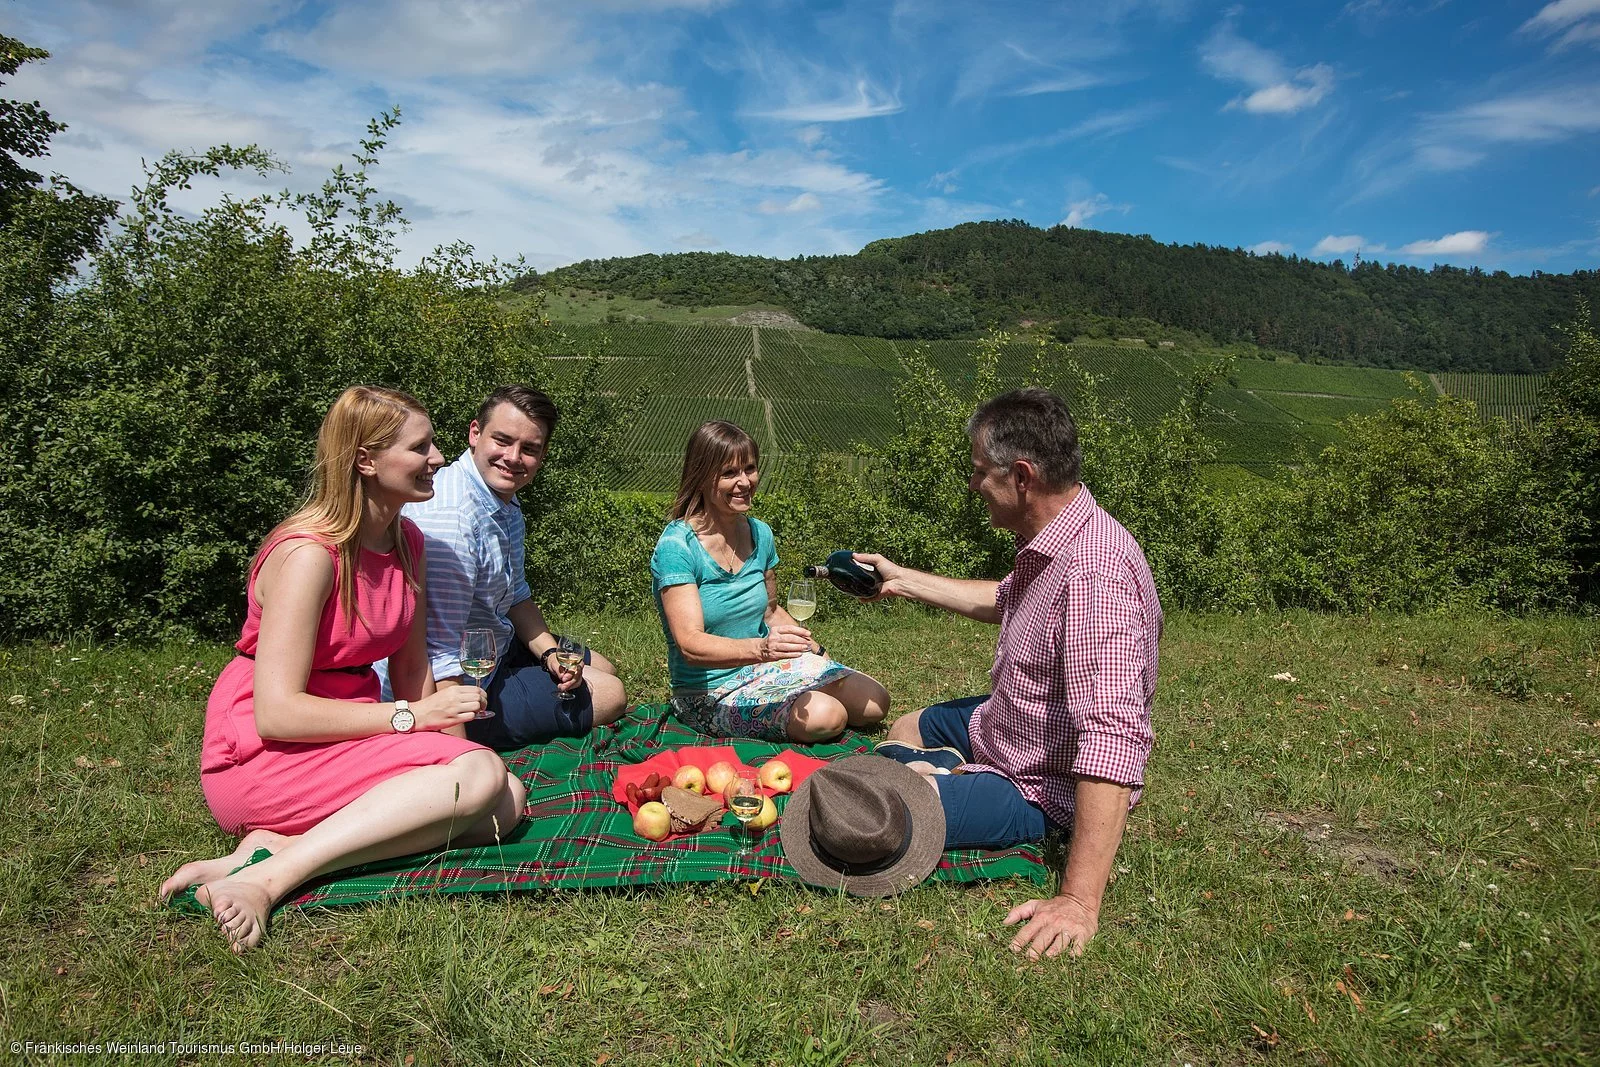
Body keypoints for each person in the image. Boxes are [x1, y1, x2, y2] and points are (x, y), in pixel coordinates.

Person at [159, 386, 526, 952]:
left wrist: (453, 750)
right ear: (365, 460)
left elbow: (411, 671)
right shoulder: (310, 555)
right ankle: (268, 879)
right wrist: (416, 724)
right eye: (421, 447)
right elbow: (278, 713)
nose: (437, 459)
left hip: (349, 725)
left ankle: (278, 846)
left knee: (505, 802)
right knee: (479, 782)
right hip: (265, 749)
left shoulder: (406, 540)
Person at [860, 387, 1161, 959]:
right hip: (1005, 725)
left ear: (1021, 476)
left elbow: (1114, 736)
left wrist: (1077, 901)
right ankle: (954, 769)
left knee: (887, 811)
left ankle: (966, 789)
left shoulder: (1095, 574)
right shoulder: (1056, 538)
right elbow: (1007, 599)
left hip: (1043, 779)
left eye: (979, 472)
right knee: (905, 728)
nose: (974, 486)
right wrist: (900, 580)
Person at [378, 385, 626, 749]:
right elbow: (440, 656)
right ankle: (485, 731)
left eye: (529, 449)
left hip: (495, 642)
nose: (513, 457)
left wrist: (549, 654)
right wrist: (455, 758)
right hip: (465, 682)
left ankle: (526, 675)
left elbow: (516, 596)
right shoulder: (453, 521)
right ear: (475, 433)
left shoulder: (500, 501)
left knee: (600, 667)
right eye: (503, 441)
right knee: (612, 694)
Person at [651, 420, 889, 742]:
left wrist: (816, 652)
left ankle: (794, 700)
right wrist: (762, 649)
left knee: (875, 702)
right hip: (707, 692)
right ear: (703, 476)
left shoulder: (759, 533)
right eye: (730, 473)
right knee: (827, 716)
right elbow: (690, 644)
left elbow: (771, 612)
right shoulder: (678, 546)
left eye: (750, 469)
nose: (745, 482)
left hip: (763, 667)